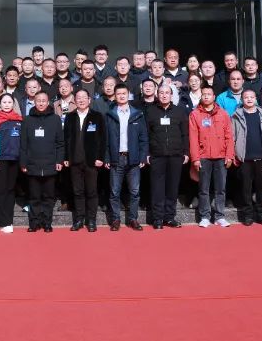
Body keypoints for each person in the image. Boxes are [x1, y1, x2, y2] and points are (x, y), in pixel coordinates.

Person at [104, 83, 148, 231]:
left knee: (134, 191)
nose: (121, 96)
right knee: (114, 192)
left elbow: (143, 138)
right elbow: (106, 139)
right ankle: (115, 219)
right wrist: (107, 157)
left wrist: (143, 157)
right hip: (116, 157)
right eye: (119, 94)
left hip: (133, 158)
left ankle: (133, 219)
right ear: (115, 96)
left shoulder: (137, 114)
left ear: (128, 95)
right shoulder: (110, 115)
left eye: (124, 93)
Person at [144, 84, 189, 229]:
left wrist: (186, 152)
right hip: (157, 155)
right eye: (161, 93)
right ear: (157, 95)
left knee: (172, 187)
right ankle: (157, 218)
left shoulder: (179, 111)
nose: (164, 95)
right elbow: (145, 134)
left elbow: (185, 134)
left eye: (167, 93)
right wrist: (147, 153)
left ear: (171, 95)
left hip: (176, 155)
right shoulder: (150, 111)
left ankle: (169, 217)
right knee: (157, 188)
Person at [20, 91, 65, 233]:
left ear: (48, 102)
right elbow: (23, 144)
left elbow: (60, 143)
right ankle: (34, 223)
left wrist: (59, 160)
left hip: (50, 164)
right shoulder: (27, 120)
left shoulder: (55, 119)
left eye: (43, 100)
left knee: (48, 197)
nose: (41, 103)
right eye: (38, 100)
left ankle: (47, 223)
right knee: (34, 197)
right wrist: (23, 163)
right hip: (32, 164)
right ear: (34, 102)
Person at [232, 90, 262, 226]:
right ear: (242, 100)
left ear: (256, 98)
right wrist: (234, 154)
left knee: (261, 188)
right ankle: (248, 215)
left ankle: (261, 214)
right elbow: (232, 137)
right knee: (246, 188)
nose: (249, 99)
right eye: (246, 97)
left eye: (252, 97)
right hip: (245, 158)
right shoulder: (236, 116)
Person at [188, 86, 233, 228]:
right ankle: (205, 216)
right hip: (203, 157)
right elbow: (193, 138)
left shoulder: (223, 114)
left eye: (209, 94)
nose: (206, 96)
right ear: (201, 97)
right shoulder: (195, 114)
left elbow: (229, 136)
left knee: (220, 189)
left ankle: (220, 216)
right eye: (204, 94)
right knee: (204, 189)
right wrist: (195, 158)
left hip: (221, 156)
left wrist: (229, 155)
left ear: (214, 97)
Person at [63, 88, 106, 232]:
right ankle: (79, 219)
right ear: (74, 100)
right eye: (78, 98)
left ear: (89, 100)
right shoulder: (70, 117)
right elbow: (66, 139)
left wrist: (100, 157)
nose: (81, 100)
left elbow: (102, 139)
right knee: (77, 191)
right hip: (74, 160)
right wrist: (66, 157)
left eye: (84, 97)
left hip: (91, 160)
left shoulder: (97, 116)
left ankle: (91, 220)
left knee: (91, 191)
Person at [0, 93, 23, 233]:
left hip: (15, 160)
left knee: (10, 190)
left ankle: (9, 220)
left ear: (13, 104)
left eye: (9, 102)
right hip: (1, 159)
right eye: (4, 102)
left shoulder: (19, 119)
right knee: (1, 190)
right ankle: (2, 222)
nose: (7, 104)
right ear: (0, 104)